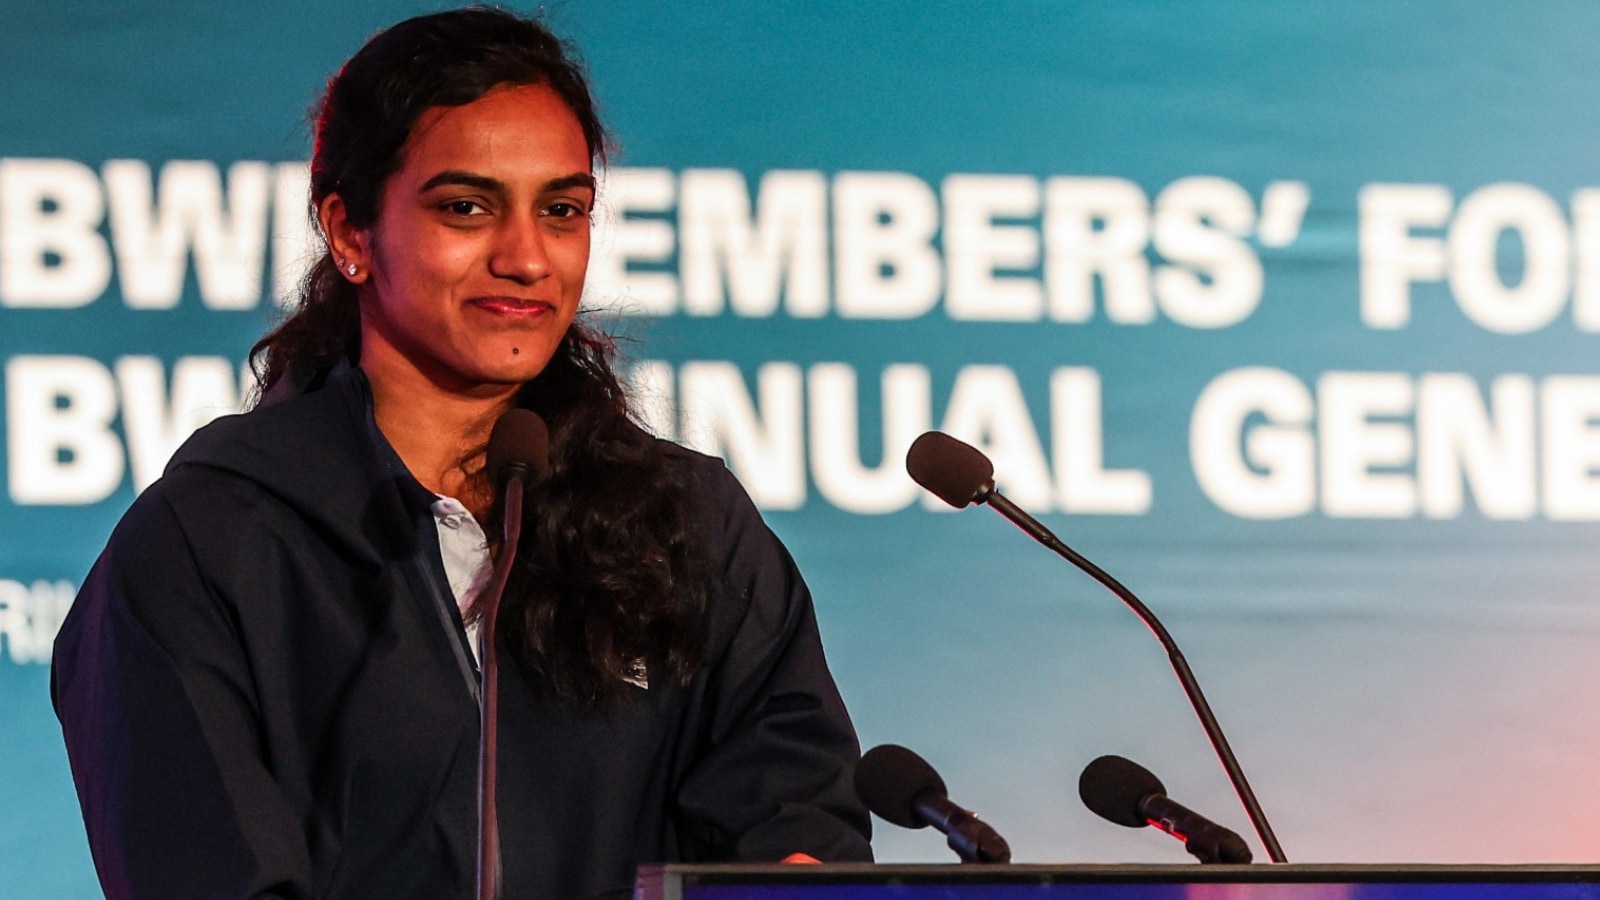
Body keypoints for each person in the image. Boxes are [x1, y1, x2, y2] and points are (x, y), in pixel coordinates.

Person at [51, 8, 872, 899]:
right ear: (351, 231)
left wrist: (796, 872)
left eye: (562, 209)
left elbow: (795, 818)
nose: (526, 258)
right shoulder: (206, 542)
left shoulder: (689, 521)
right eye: (467, 208)